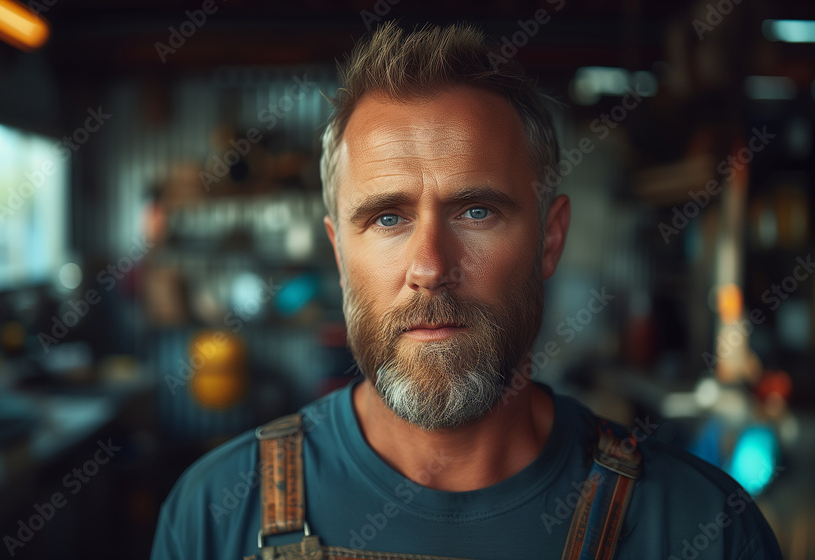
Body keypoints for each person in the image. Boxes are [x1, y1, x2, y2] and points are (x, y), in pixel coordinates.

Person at [150, 22, 782, 560]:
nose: (429, 265)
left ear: (550, 239)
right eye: (388, 218)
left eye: (477, 212)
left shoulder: (702, 527)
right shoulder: (215, 513)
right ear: (341, 254)